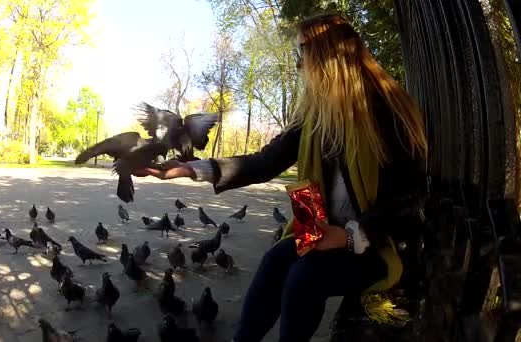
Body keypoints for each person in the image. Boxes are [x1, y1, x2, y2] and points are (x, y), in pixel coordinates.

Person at [134, 14, 428, 342]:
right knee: (276, 259)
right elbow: (265, 161)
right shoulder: (317, 118)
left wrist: (350, 236)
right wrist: (193, 168)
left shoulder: (388, 112)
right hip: (324, 235)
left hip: (379, 245)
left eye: (303, 52)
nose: (299, 65)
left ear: (330, 55)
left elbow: (410, 197)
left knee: (305, 277)